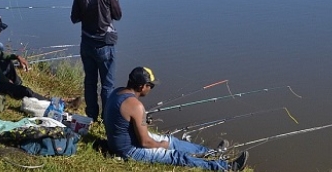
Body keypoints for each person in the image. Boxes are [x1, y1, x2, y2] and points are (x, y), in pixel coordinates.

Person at [104, 67, 249, 171]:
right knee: (176, 156)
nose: (151, 89)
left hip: (120, 141)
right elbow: (145, 142)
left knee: (171, 141)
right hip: (129, 150)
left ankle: (212, 153)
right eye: (151, 86)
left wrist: (145, 125)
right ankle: (227, 168)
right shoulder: (136, 106)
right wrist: (162, 145)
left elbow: (123, 120)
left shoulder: (117, 92)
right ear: (142, 86)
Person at [71, 0, 122, 121]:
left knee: (90, 81)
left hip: (87, 43)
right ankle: (107, 117)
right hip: (105, 43)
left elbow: (74, 18)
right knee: (107, 85)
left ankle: (91, 115)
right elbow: (118, 15)